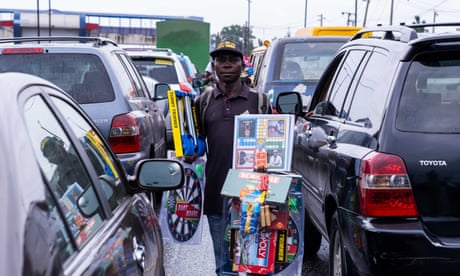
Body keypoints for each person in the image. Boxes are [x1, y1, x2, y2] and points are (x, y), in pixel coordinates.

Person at [194, 40, 271, 275]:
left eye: (232, 60)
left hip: (253, 200)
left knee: (255, 264)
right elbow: (194, 147)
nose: (227, 65)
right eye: (221, 60)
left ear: (242, 65)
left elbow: (274, 150)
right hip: (217, 197)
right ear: (214, 66)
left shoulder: (259, 101)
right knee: (224, 266)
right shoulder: (203, 102)